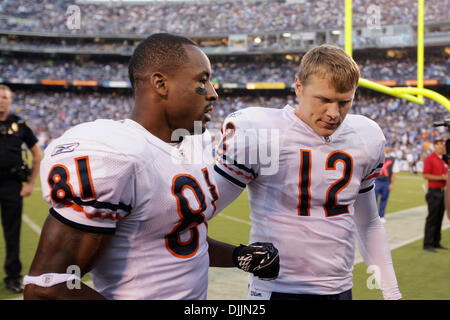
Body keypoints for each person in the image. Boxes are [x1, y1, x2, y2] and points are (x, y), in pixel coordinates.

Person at [23, 33, 279, 300]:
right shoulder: (116, 153)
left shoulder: (185, 149)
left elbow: (175, 238)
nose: (213, 93)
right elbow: (46, 286)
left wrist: (239, 256)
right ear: (160, 83)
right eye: (202, 80)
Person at [213, 44, 402, 300]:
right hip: (278, 290)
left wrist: (392, 293)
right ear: (299, 87)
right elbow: (200, 213)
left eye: (344, 102)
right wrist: (235, 255)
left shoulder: (364, 136)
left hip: (340, 289)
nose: (334, 113)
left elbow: (368, 223)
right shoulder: (261, 133)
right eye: (324, 100)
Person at [0, 85, 42, 293]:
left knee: (12, 232)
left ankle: (13, 276)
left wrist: (31, 184)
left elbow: (37, 154)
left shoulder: (19, 124)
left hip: (11, 185)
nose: (1, 100)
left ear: (10, 101)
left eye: (5, 97)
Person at [422, 138, 448, 252]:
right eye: (438, 145)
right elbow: (425, 174)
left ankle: (436, 242)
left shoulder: (445, 159)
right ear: (434, 146)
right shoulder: (430, 158)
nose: (441, 147)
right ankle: (427, 244)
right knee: (432, 218)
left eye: (442, 145)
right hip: (434, 191)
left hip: (444, 191)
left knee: (440, 218)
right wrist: (442, 178)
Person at [374, 144, 400, 223]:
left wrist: (391, 183)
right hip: (377, 181)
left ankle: (381, 216)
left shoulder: (393, 159)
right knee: (373, 199)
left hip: (386, 182)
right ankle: (373, 216)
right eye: (385, 146)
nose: (387, 148)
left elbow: (394, 172)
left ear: (390, 148)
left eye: (388, 146)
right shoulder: (377, 157)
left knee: (384, 199)